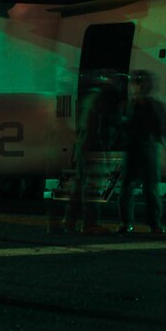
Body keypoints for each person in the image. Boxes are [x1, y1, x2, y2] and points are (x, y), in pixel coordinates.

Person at [116, 70, 166, 235]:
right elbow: (165, 127)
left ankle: (151, 223)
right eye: (138, 82)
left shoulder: (147, 106)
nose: (141, 86)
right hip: (136, 149)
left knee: (148, 188)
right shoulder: (129, 106)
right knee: (132, 188)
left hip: (147, 148)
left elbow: (165, 126)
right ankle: (129, 222)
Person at [61, 72, 123, 234]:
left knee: (79, 185)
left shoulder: (90, 97)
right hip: (93, 145)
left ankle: (69, 221)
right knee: (92, 187)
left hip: (83, 143)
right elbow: (103, 124)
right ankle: (90, 224)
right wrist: (106, 147)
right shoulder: (104, 99)